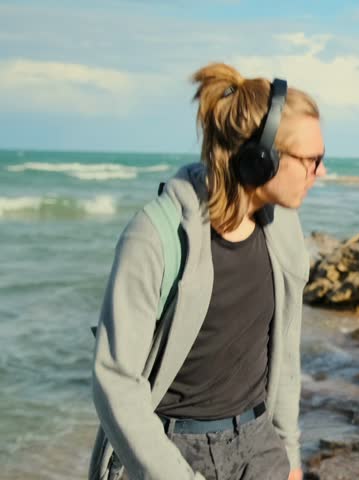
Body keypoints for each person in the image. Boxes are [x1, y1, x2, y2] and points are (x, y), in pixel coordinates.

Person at [88, 62, 326, 480]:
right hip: (169, 454)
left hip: (258, 445)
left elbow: (284, 350)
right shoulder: (154, 237)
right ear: (261, 159)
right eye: (311, 159)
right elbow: (116, 380)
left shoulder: (282, 226)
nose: (320, 172)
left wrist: (288, 453)